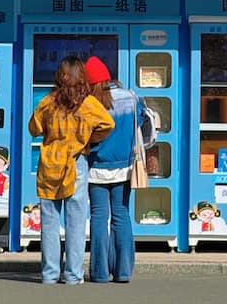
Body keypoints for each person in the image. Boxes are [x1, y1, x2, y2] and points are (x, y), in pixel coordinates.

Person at [28, 55, 115, 285]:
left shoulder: (47, 102)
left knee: (49, 221)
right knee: (75, 222)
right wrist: (87, 139)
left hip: (49, 164)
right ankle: (73, 275)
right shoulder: (87, 103)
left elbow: (33, 128)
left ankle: (49, 274)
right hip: (76, 163)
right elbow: (108, 124)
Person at [84, 55, 149, 284]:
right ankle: (123, 271)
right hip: (125, 167)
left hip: (95, 168)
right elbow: (142, 123)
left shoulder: (91, 103)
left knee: (99, 217)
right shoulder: (131, 97)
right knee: (121, 215)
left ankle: (100, 272)